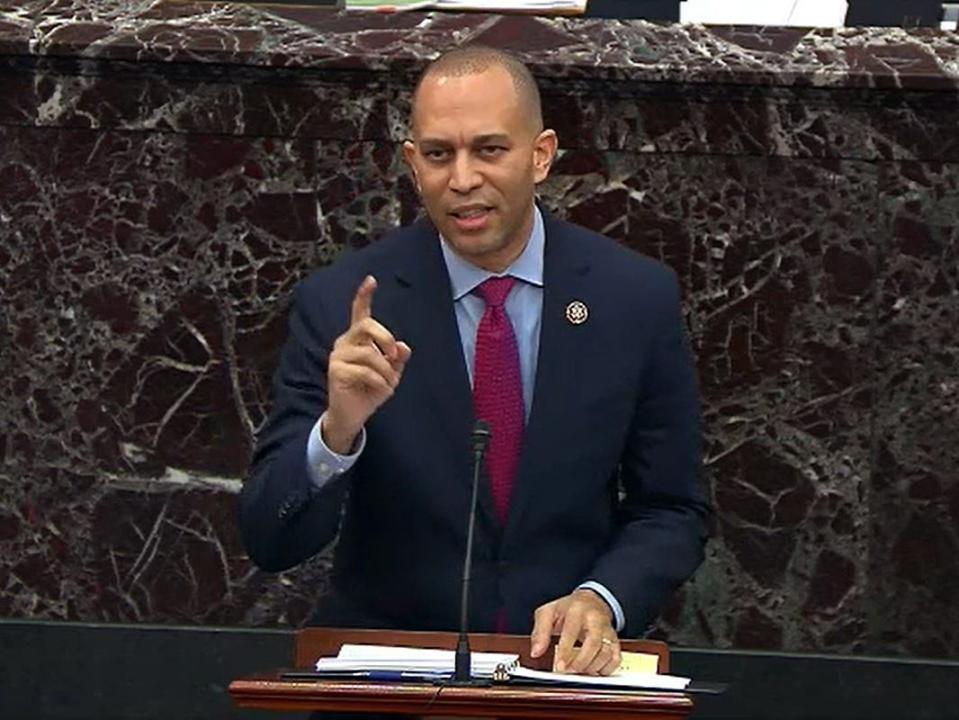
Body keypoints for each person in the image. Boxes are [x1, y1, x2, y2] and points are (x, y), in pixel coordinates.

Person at [240, 45, 709, 677]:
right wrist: (337, 431)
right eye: (438, 154)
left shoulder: (633, 299)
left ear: (540, 155)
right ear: (413, 164)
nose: (462, 180)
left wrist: (603, 600)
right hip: (391, 689)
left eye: (489, 150)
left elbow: (672, 507)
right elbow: (271, 540)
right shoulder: (343, 307)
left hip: (562, 684)